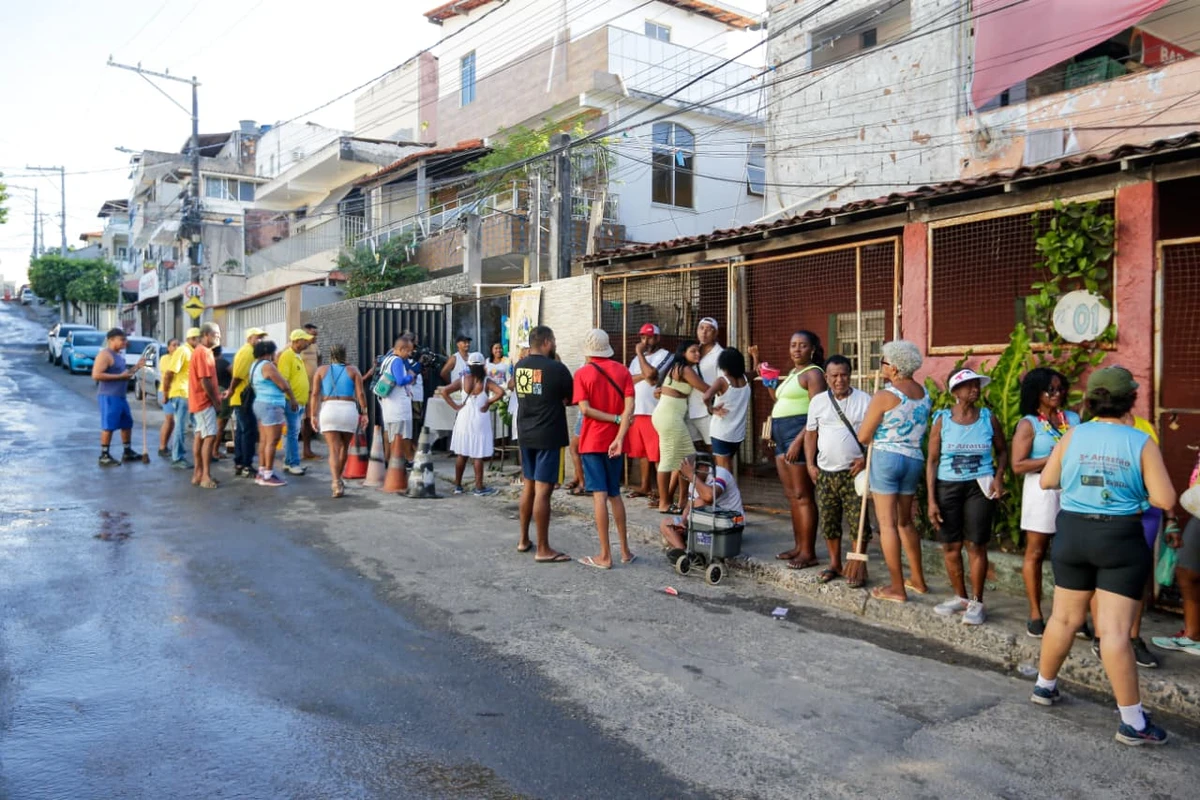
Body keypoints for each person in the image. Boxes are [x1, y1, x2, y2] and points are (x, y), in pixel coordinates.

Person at [1032, 367, 1176, 746]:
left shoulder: (1074, 435)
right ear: (1130, 400)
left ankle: (1044, 686)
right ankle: (1132, 722)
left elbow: (1047, 480)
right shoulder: (1140, 441)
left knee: (1063, 618)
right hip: (1120, 537)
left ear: (1092, 400)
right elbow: (1165, 500)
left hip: (1074, 533)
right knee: (1113, 632)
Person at [926, 368, 1008, 626]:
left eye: (977, 385)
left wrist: (999, 476)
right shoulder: (942, 420)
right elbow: (932, 460)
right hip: (947, 486)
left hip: (979, 486)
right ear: (955, 392)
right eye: (969, 385)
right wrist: (931, 500)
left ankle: (976, 601)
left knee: (976, 544)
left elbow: (1003, 452)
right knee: (951, 545)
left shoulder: (987, 418)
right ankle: (960, 597)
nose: (975, 389)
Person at [857, 340, 931, 603]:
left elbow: (865, 436)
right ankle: (918, 581)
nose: (882, 366)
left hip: (887, 459)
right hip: (913, 459)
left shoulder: (885, 396)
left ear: (896, 368)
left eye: (884, 362)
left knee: (887, 525)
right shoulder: (924, 394)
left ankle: (897, 588)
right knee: (905, 521)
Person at [1011, 368, 1082, 638]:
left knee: (1073, 555)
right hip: (1041, 489)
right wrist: (1054, 457)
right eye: (1049, 390)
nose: (1056, 394)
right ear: (1036, 394)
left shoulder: (1073, 419)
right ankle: (1035, 613)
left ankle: (1073, 615)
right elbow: (1018, 465)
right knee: (1036, 552)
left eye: (1060, 388)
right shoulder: (1029, 424)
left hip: (1071, 490)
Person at [752, 330, 827, 570]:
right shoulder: (794, 373)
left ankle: (808, 552)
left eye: (802, 346)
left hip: (799, 435)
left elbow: (817, 412)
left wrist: (798, 442)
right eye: (793, 345)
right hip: (782, 436)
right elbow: (781, 402)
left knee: (803, 496)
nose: (796, 349)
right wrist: (770, 385)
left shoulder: (813, 374)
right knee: (792, 496)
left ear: (812, 349)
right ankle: (798, 547)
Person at [804, 355, 871, 585]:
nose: (839, 380)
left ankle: (856, 567)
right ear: (826, 377)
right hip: (825, 472)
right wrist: (811, 464)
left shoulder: (865, 400)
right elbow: (811, 434)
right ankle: (835, 563)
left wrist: (865, 459)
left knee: (858, 522)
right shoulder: (818, 402)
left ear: (850, 375)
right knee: (829, 520)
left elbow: (875, 436)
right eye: (834, 376)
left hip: (854, 472)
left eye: (844, 375)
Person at [573, 329, 636, 569]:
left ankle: (605, 555)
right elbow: (629, 407)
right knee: (614, 494)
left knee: (598, 496)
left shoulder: (582, 373)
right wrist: (619, 431)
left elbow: (585, 409)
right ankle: (626, 551)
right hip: (615, 441)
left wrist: (613, 419)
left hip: (592, 441)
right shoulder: (623, 371)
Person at [514, 325, 574, 562]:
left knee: (528, 485)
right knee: (543, 491)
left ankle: (523, 539)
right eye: (554, 339)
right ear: (547, 342)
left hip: (526, 433)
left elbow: (526, 394)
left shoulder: (520, 366)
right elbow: (570, 398)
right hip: (548, 434)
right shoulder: (557, 369)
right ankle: (543, 548)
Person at [651, 341, 709, 514]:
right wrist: (723, 385)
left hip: (666, 416)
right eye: (693, 351)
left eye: (699, 351)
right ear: (683, 353)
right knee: (673, 460)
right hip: (670, 418)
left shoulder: (677, 367)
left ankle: (679, 499)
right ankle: (665, 502)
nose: (697, 354)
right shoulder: (685, 369)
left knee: (682, 459)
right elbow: (704, 388)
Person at [440, 352, 505, 496]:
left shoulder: (463, 379)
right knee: (477, 455)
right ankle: (479, 487)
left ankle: (457, 486)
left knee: (462, 454)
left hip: (464, 416)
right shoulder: (487, 381)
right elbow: (500, 392)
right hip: (479, 418)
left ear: (469, 365)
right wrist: (488, 402)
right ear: (483, 365)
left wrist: (455, 406)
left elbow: (445, 391)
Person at [310, 344, 368, 498]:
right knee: (344, 448)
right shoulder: (353, 370)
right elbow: (360, 394)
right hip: (348, 409)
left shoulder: (321, 370)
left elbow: (315, 394)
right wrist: (365, 412)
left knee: (333, 449)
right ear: (345, 354)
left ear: (330, 355)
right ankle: (339, 478)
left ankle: (336, 482)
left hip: (329, 409)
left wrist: (313, 415)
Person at [660, 454, 744, 552]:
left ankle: (689, 545)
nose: (688, 477)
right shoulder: (693, 481)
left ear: (703, 467)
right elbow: (689, 505)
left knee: (700, 502)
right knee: (666, 523)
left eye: (692, 472)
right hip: (705, 522)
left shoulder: (720, 473)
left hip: (729, 524)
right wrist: (682, 522)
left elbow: (709, 497)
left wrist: (692, 476)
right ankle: (681, 552)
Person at [627, 323, 670, 502]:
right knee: (643, 453)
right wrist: (644, 373)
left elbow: (652, 378)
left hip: (655, 411)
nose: (646, 341)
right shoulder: (635, 361)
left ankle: (662, 493)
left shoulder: (666, 355)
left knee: (658, 454)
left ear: (658, 338)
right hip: (638, 410)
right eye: (643, 337)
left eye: (650, 337)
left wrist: (639, 354)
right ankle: (645, 486)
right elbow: (628, 380)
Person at [91, 328, 147, 467]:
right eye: (121, 340)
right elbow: (96, 375)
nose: (125, 342)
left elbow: (125, 374)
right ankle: (104, 455)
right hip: (108, 396)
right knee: (108, 425)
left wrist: (137, 367)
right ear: (111, 340)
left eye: (125, 339)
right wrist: (119, 377)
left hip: (121, 396)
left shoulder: (118, 355)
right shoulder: (105, 355)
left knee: (127, 423)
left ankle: (127, 451)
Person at [250, 339, 300, 488]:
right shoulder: (268, 366)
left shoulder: (255, 365)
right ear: (268, 353)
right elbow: (283, 385)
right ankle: (268, 474)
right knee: (272, 441)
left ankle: (262, 471)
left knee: (264, 441)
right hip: (271, 405)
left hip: (260, 403)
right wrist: (292, 399)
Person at [225, 327, 268, 478]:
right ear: (250, 338)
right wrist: (231, 390)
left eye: (262, 338)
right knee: (249, 432)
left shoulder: (250, 352)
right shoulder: (247, 352)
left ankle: (240, 463)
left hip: (243, 398)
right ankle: (246, 464)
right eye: (258, 337)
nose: (260, 340)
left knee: (242, 432)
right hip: (244, 398)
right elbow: (236, 375)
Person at [377, 335, 421, 477]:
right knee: (399, 436)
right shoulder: (397, 361)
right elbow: (400, 381)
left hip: (389, 404)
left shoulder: (387, 359)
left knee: (392, 435)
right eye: (408, 351)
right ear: (401, 349)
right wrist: (411, 376)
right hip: (398, 406)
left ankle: (392, 462)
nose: (410, 354)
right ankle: (401, 463)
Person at [187, 323, 222, 489]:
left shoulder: (204, 352)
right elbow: (204, 380)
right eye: (216, 334)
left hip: (200, 400)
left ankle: (198, 473)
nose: (218, 338)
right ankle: (205, 476)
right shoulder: (202, 352)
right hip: (204, 401)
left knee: (200, 435)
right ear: (206, 335)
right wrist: (215, 401)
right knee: (209, 437)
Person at [704, 347, 751, 473]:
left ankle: (724, 492)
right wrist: (755, 356)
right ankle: (719, 490)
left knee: (724, 472)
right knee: (724, 469)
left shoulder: (722, 381)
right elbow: (757, 372)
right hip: (738, 434)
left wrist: (711, 409)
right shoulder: (745, 378)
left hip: (721, 432)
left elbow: (706, 396)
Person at [277, 329, 315, 477]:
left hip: (298, 401)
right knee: (293, 434)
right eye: (305, 340)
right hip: (292, 402)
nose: (307, 342)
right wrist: (292, 398)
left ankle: (288, 461)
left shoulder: (296, 356)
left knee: (292, 434)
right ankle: (294, 464)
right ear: (297, 341)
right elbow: (284, 379)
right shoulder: (287, 356)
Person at [161, 330, 198, 469]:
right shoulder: (183, 351)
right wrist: (165, 392)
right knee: (181, 427)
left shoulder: (192, 351)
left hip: (189, 394)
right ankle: (177, 457)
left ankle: (200, 454)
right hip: (180, 393)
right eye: (198, 339)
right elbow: (169, 373)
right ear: (192, 339)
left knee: (196, 425)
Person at [686, 316, 724, 451]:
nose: (704, 332)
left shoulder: (720, 354)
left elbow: (723, 382)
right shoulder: (692, 351)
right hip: (690, 409)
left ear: (716, 333)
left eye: (709, 329)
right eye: (701, 328)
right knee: (693, 450)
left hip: (707, 410)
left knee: (713, 448)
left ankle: (716, 473)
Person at [156, 338, 180, 458]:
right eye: (173, 345)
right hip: (166, 391)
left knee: (174, 422)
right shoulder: (165, 359)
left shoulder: (180, 358)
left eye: (178, 345)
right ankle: (162, 446)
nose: (176, 348)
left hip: (177, 392)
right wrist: (165, 395)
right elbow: (168, 376)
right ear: (168, 348)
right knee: (169, 419)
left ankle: (167, 446)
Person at [300, 323, 320, 461]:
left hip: (312, 390)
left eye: (316, 335)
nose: (315, 338)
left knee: (308, 420)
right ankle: (300, 451)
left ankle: (307, 450)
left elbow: (319, 360)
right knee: (299, 421)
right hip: (300, 390)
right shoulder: (297, 348)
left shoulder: (315, 347)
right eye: (312, 335)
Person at [211, 345, 233, 463]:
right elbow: (235, 374)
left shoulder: (208, 364)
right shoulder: (223, 363)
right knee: (221, 424)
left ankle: (211, 450)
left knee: (213, 424)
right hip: (223, 393)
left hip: (212, 395)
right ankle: (214, 450)